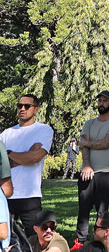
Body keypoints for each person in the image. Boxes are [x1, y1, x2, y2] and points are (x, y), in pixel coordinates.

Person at [71, 91, 109, 251]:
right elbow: (83, 146)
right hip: (87, 171)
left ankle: (101, 240)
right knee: (83, 208)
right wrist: (86, 164)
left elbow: (106, 144)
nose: (101, 103)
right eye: (99, 100)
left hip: (105, 173)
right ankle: (80, 241)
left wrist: (87, 142)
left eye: (105, 100)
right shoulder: (89, 123)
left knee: (102, 211)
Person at [0, 93, 54, 237]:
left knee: (34, 240)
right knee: (5, 240)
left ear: (35, 109)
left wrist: (8, 154)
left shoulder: (44, 130)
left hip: (30, 195)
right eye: (20, 106)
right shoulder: (6, 133)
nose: (22, 109)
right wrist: (26, 155)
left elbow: (36, 157)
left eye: (27, 106)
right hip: (5, 195)